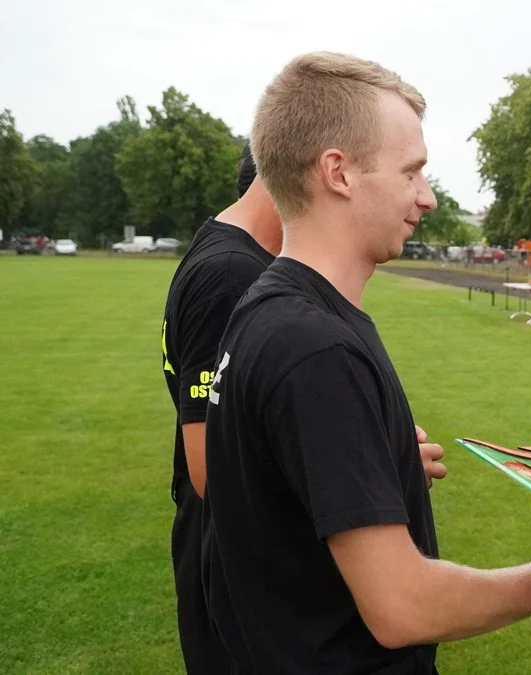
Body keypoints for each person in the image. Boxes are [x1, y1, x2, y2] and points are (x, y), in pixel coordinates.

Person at [202, 52, 531, 674]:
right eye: (412, 172)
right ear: (338, 172)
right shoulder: (314, 347)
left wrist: (381, 463)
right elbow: (402, 607)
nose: (425, 197)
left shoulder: (269, 311)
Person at [159, 144, 280, 675]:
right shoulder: (231, 271)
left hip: (231, 550)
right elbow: (213, 469)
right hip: (233, 560)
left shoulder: (232, 256)